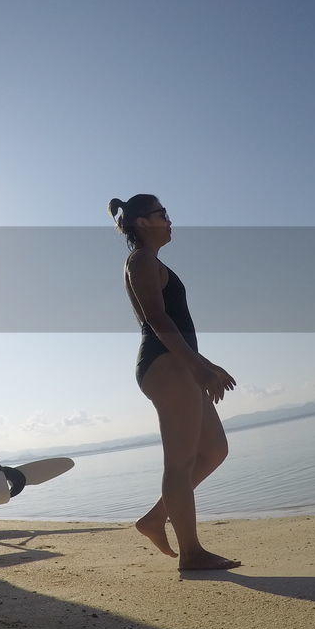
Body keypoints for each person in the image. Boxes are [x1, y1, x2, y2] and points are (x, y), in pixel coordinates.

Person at [109, 194, 240, 572]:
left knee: (214, 450)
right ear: (143, 222)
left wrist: (205, 363)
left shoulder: (151, 261)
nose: (169, 219)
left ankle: (153, 520)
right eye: (162, 214)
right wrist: (196, 367)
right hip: (166, 365)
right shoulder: (140, 260)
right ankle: (192, 553)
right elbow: (157, 320)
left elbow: (173, 322)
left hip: (178, 363)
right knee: (179, 464)